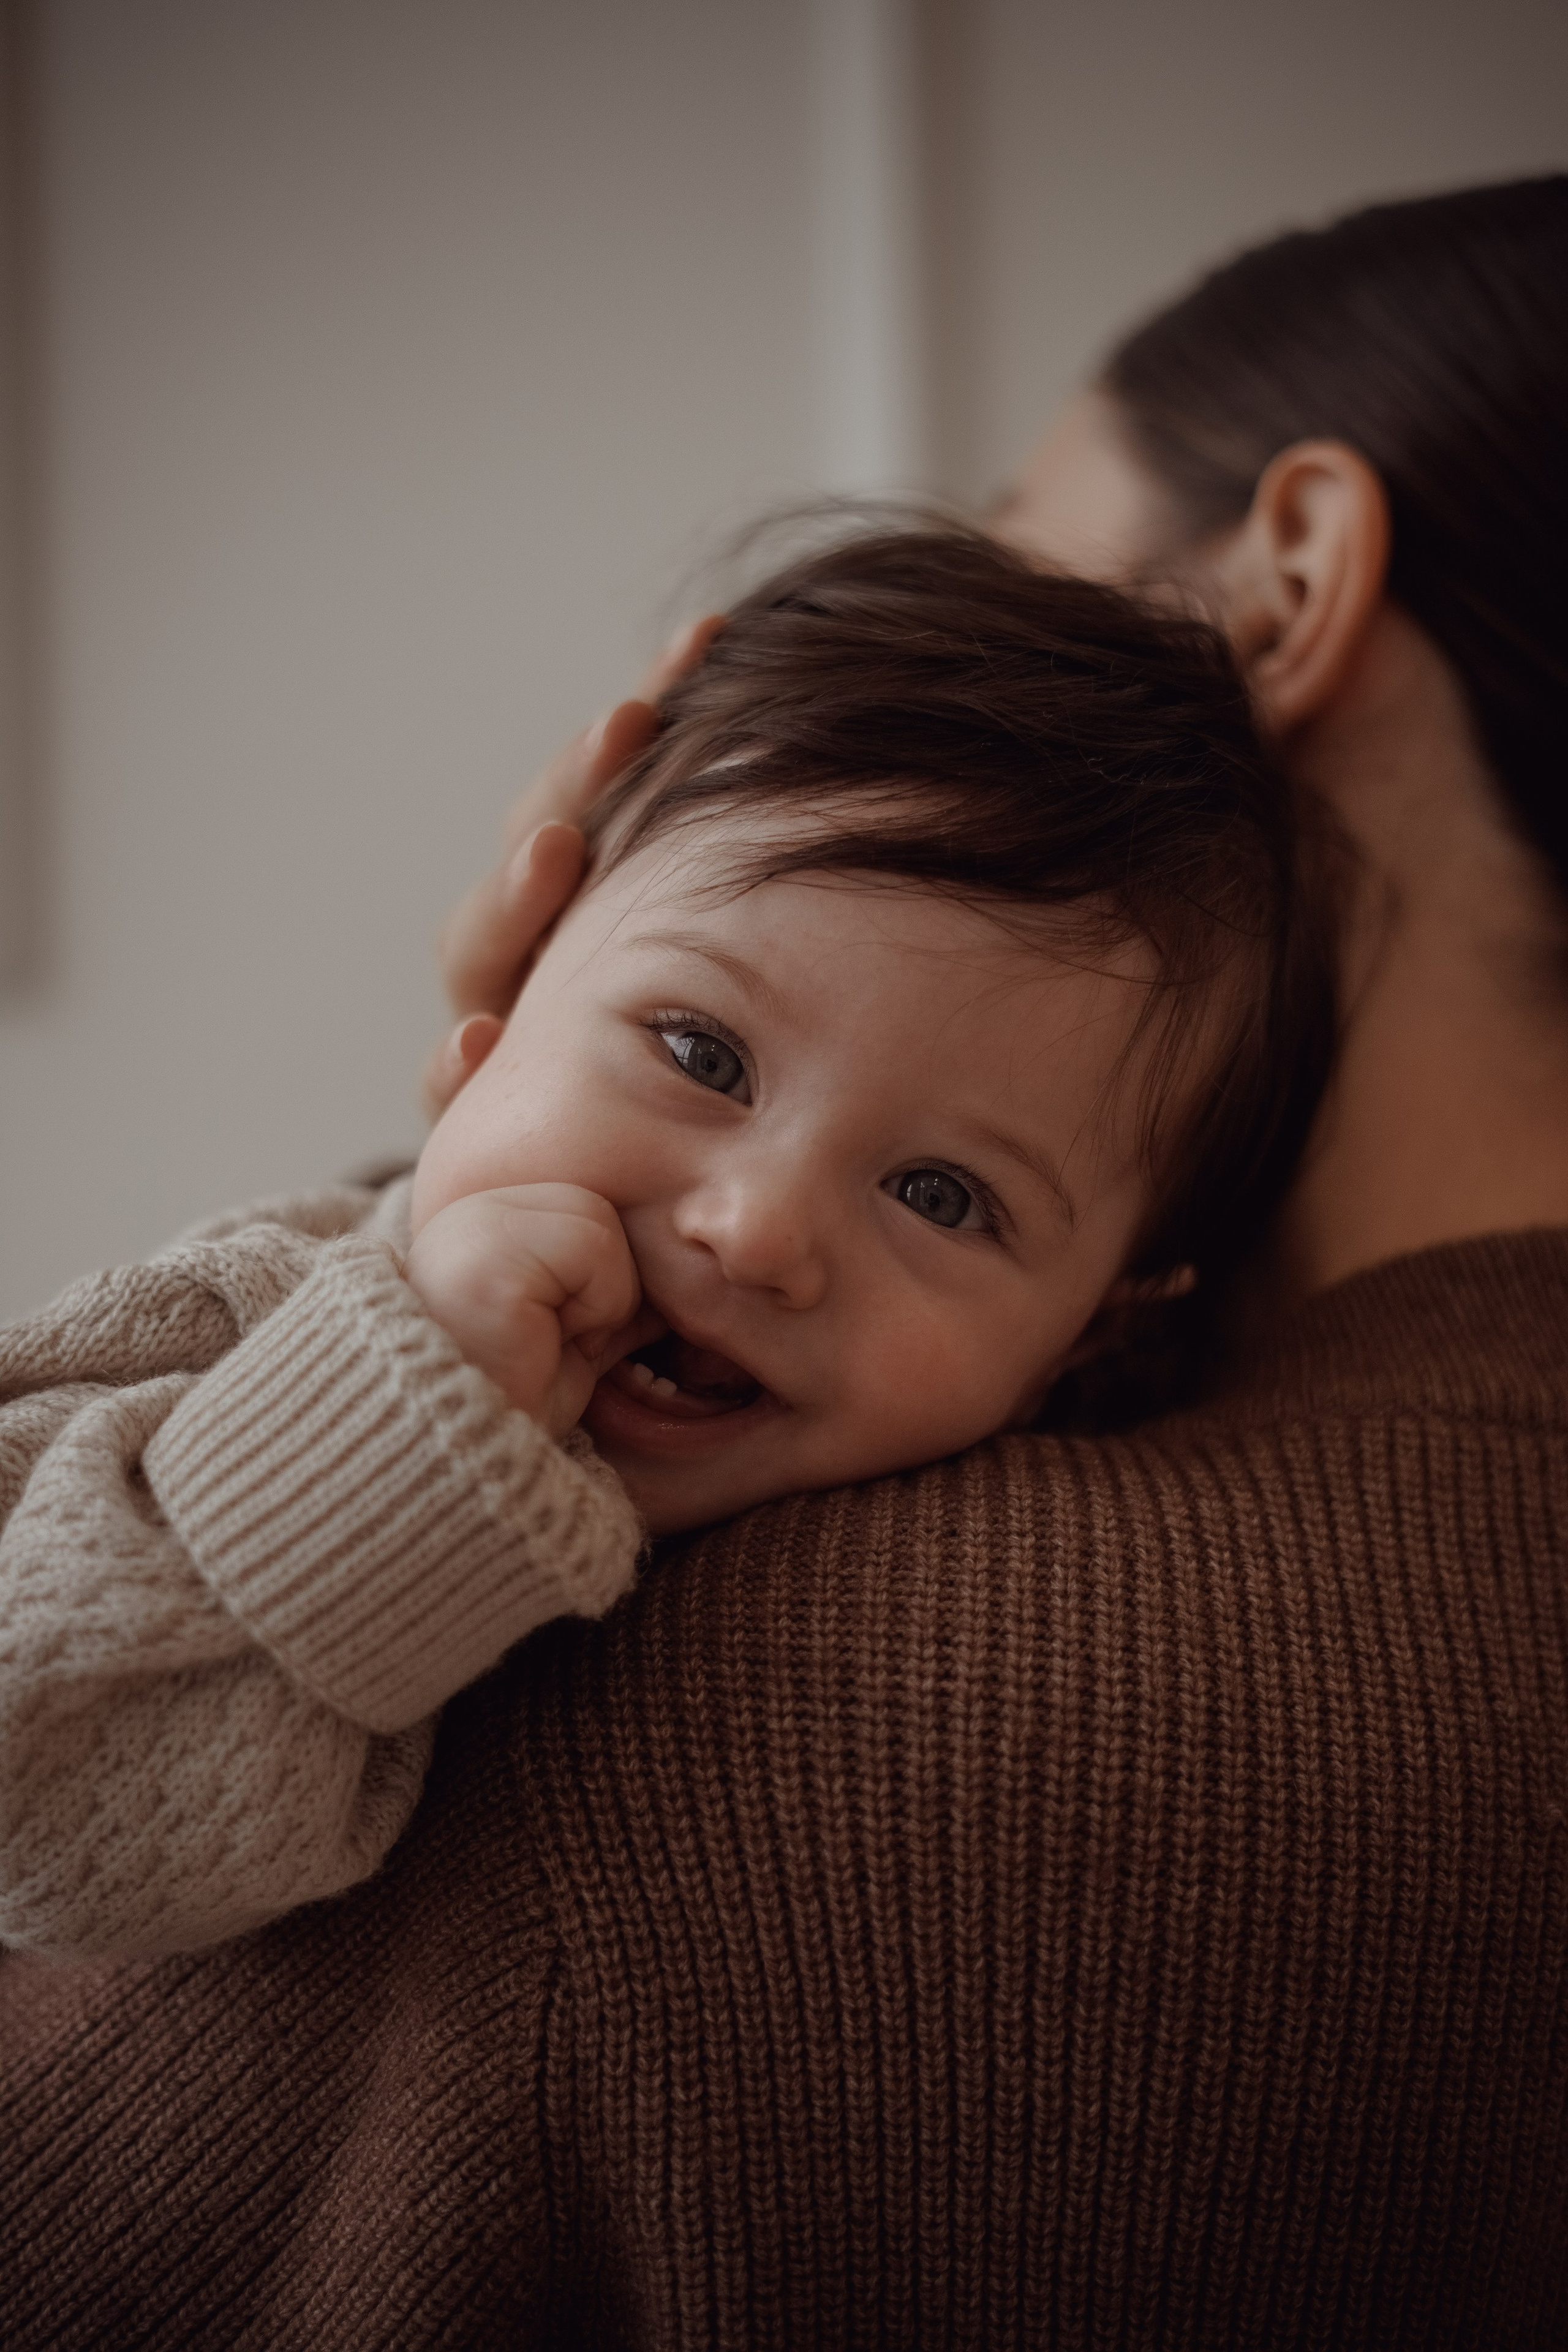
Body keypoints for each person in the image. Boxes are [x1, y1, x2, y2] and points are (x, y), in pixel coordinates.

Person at [3, 176, 1566, 2350]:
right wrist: (475, 1174)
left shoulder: (769, 1733)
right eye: (702, 1043)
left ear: (1284, 582)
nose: (745, 1229)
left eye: (1025, 527)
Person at [0, 530, 1325, 1961]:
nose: (754, 1231)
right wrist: (401, 1409)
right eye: (698, 1051)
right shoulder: (243, 1310)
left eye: (940, 1196)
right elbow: (40, 1821)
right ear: (508, 990)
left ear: (1088, 1335)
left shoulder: (1052, 1541)